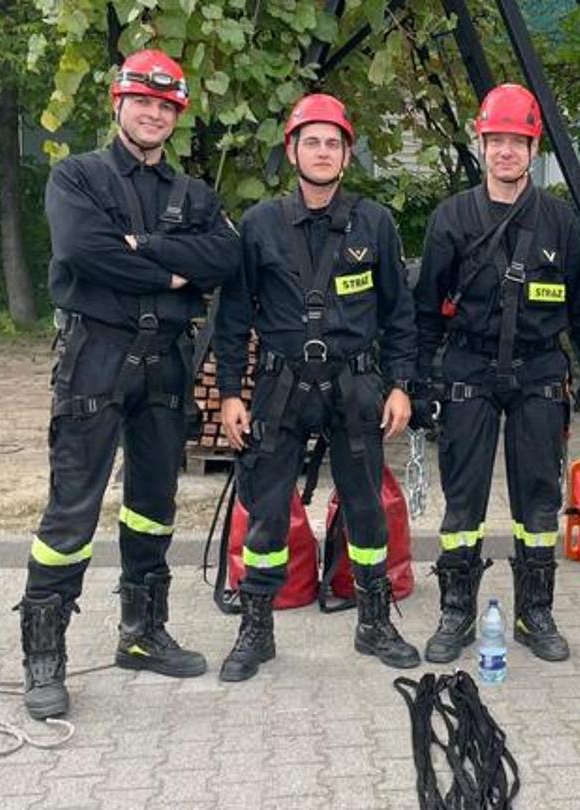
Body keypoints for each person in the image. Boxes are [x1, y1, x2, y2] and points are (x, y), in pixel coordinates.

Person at [18, 49, 241, 719]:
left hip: (166, 365)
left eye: (165, 105)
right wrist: (176, 270)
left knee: (152, 504)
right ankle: (43, 656)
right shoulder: (78, 177)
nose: (153, 113)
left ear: (177, 116)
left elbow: (225, 256)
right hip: (97, 358)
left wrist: (142, 251)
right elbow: (83, 249)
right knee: (72, 511)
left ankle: (141, 633)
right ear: (118, 105)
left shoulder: (194, 195)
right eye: (142, 101)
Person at [212, 93, 419, 682]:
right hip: (280, 389)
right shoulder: (259, 226)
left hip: (355, 387)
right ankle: (256, 628)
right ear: (292, 150)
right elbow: (232, 318)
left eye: (333, 142)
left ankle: (375, 621)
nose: (323, 151)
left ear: (347, 155)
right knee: (268, 514)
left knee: (367, 511)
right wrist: (231, 392)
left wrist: (400, 385)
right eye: (312, 141)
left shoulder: (374, 223)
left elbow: (399, 314)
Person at [411, 84, 580, 665]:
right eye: (496, 140)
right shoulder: (452, 218)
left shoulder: (560, 222)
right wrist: (422, 380)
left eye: (516, 142)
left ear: (532, 148)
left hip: (540, 371)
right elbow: (426, 309)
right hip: (468, 369)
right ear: (482, 144)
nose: (505, 151)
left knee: (539, 502)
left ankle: (535, 612)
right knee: (462, 502)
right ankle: (456, 612)